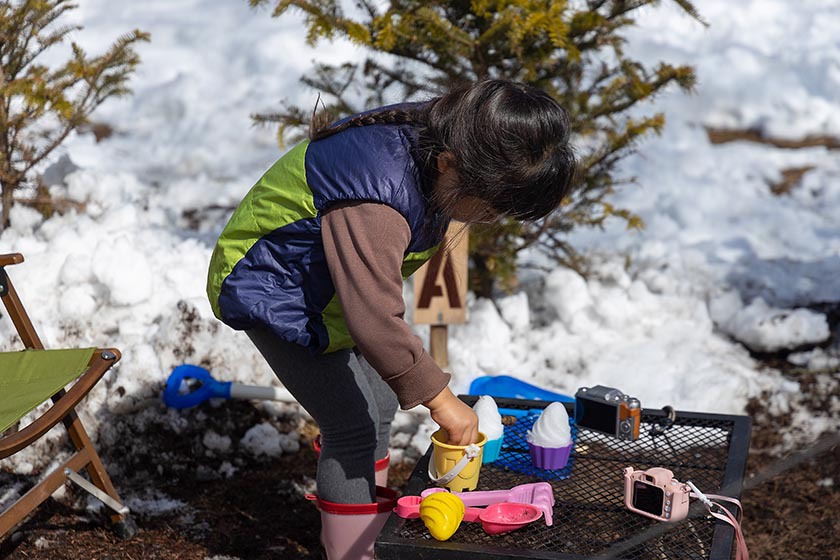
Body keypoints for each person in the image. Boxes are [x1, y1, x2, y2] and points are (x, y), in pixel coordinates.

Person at [206, 79, 577, 559]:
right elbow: (374, 315)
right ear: (451, 163)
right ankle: (352, 552)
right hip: (272, 290)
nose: (492, 218)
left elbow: (370, 300)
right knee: (351, 426)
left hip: (328, 291)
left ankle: (366, 525)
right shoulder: (377, 195)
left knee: (379, 404)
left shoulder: (444, 140)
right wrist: (441, 399)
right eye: (490, 205)